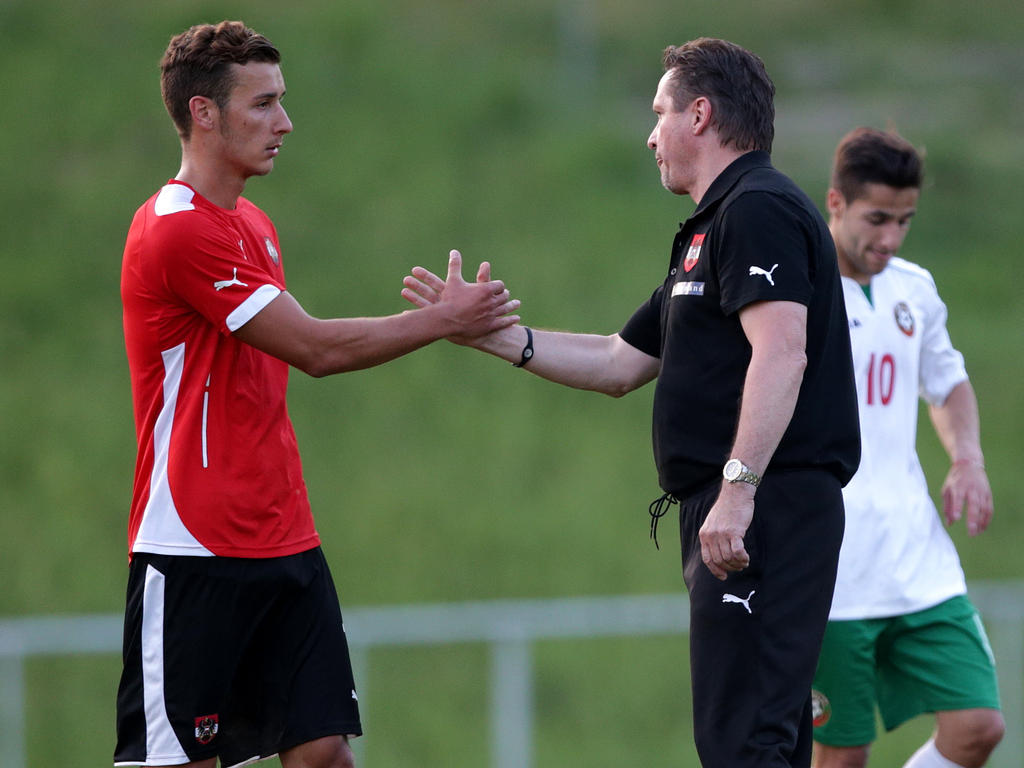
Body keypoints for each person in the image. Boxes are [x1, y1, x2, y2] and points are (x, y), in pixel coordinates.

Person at [403, 38, 860, 768]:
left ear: (701, 115)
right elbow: (619, 361)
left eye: (660, 112)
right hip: (733, 512)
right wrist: (489, 336)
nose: (651, 134)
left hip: (763, 511)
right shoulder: (709, 231)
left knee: (748, 742)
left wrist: (739, 492)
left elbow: (784, 352)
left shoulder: (759, 209)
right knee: (746, 738)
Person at [115, 21, 518, 768]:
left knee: (325, 753)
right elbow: (316, 349)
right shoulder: (174, 230)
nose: (285, 122)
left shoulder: (253, 225)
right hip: (196, 547)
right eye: (263, 104)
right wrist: (441, 320)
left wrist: (438, 321)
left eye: (283, 101)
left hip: (286, 537)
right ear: (204, 114)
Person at [810, 127, 1004, 768]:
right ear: (835, 203)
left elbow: (947, 384)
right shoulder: (795, 294)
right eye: (876, 219)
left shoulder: (913, 290)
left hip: (918, 558)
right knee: (843, 757)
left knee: (979, 725)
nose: (890, 239)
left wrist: (967, 459)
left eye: (905, 221)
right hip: (832, 568)